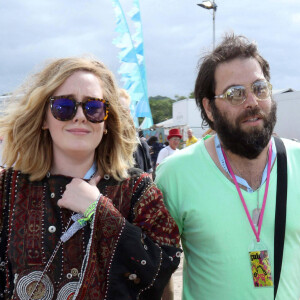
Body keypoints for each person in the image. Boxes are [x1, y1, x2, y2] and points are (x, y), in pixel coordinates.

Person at [0, 57, 181, 299]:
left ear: (106, 121)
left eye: (93, 107)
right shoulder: (8, 188)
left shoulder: (138, 190)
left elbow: (160, 270)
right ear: (44, 118)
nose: (80, 116)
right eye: (64, 106)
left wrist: (100, 212)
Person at [155, 33, 300, 299]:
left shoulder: (298, 162)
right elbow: (160, 271)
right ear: (209, 109)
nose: (252, 102)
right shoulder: (176, 174)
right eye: (235, 94)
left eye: (260, 88)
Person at [119, 88, 153, 174]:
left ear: (128, 112)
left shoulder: (141, 146)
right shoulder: (100, 147)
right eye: (115, 110)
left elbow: (149, 180)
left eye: (123, 110)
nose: (119, 115)